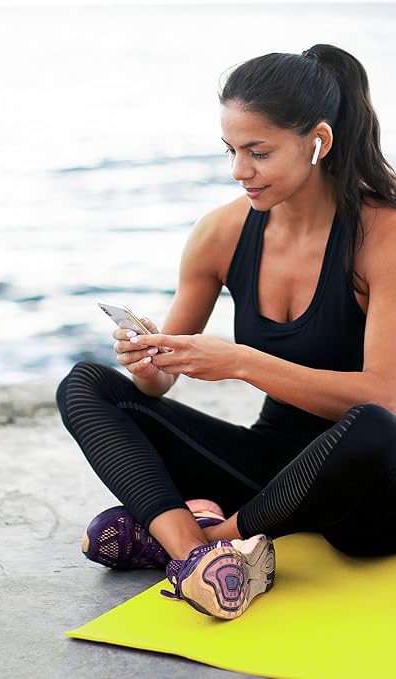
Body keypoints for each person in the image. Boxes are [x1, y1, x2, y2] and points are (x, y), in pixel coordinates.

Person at [56, 44, 396, 620]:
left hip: (368, 488)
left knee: (373, 426)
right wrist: (148, 362)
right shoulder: (221, 232)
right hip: (268, 472)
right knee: (86, 384)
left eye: (258, 152)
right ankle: (196, 556)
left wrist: (239, 362)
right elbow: (156, 386)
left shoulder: (382, 236)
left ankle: (209, 538)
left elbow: (384, 397)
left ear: (318, 141)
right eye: (232, 150)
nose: (240, 170)